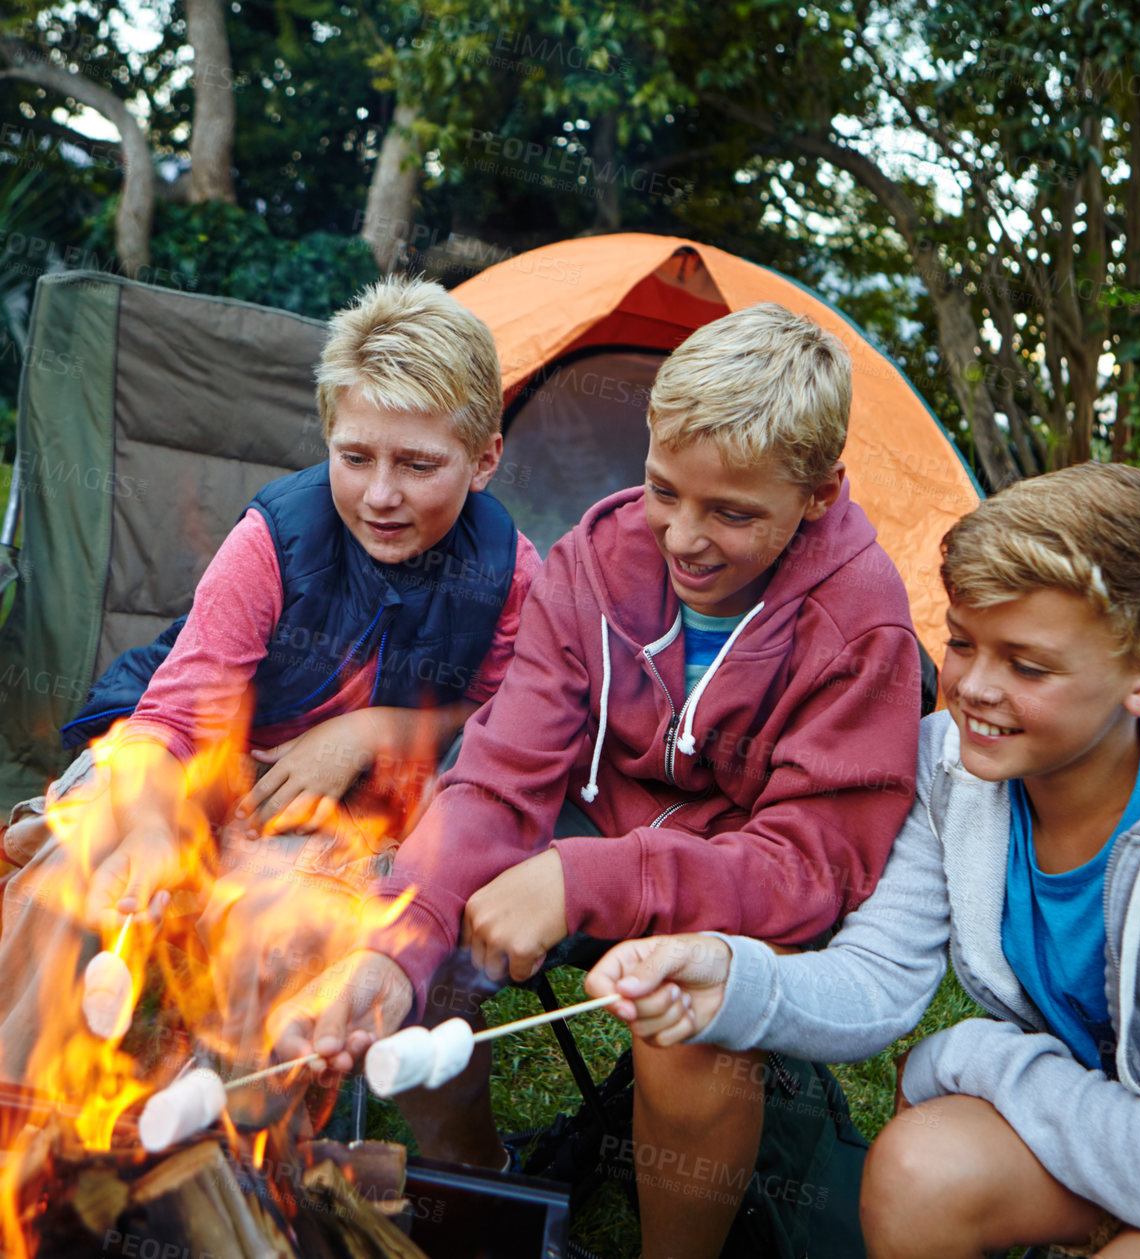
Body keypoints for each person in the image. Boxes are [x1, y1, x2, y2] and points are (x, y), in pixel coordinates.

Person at [587, 462, 1140, 1259]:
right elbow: (879, 979)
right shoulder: (954, 773)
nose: (973, 687)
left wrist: (980, 1056)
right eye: (964, 641)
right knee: (920, 1170)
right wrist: (727, 977)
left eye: (1029, 665)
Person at [275, 302, 922, 1259]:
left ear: (821, 494)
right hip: (595, 827)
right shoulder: (596, 559)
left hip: (736, 893)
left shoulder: (864, 627)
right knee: (427, 927)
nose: (685, 537)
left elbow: (807, 868)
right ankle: (484, 1187)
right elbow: (499, 776)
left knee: (689, 1024)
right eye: (665, 489)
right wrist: (397, 941)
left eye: (733, 512)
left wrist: (590, 881)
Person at [0, 275, 538, 1078]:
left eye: (418, 464)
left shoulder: (509, 577)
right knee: (63, 876)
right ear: (326, 437)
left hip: (342, 812)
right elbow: (167, 724)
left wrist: (379, 729)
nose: (381, 494)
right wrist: (152, 828)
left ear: (485, 459)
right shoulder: (273, 542)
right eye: (354, 457)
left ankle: (219, 1151)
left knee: (281, 922)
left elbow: (503, 732)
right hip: (188, 754)